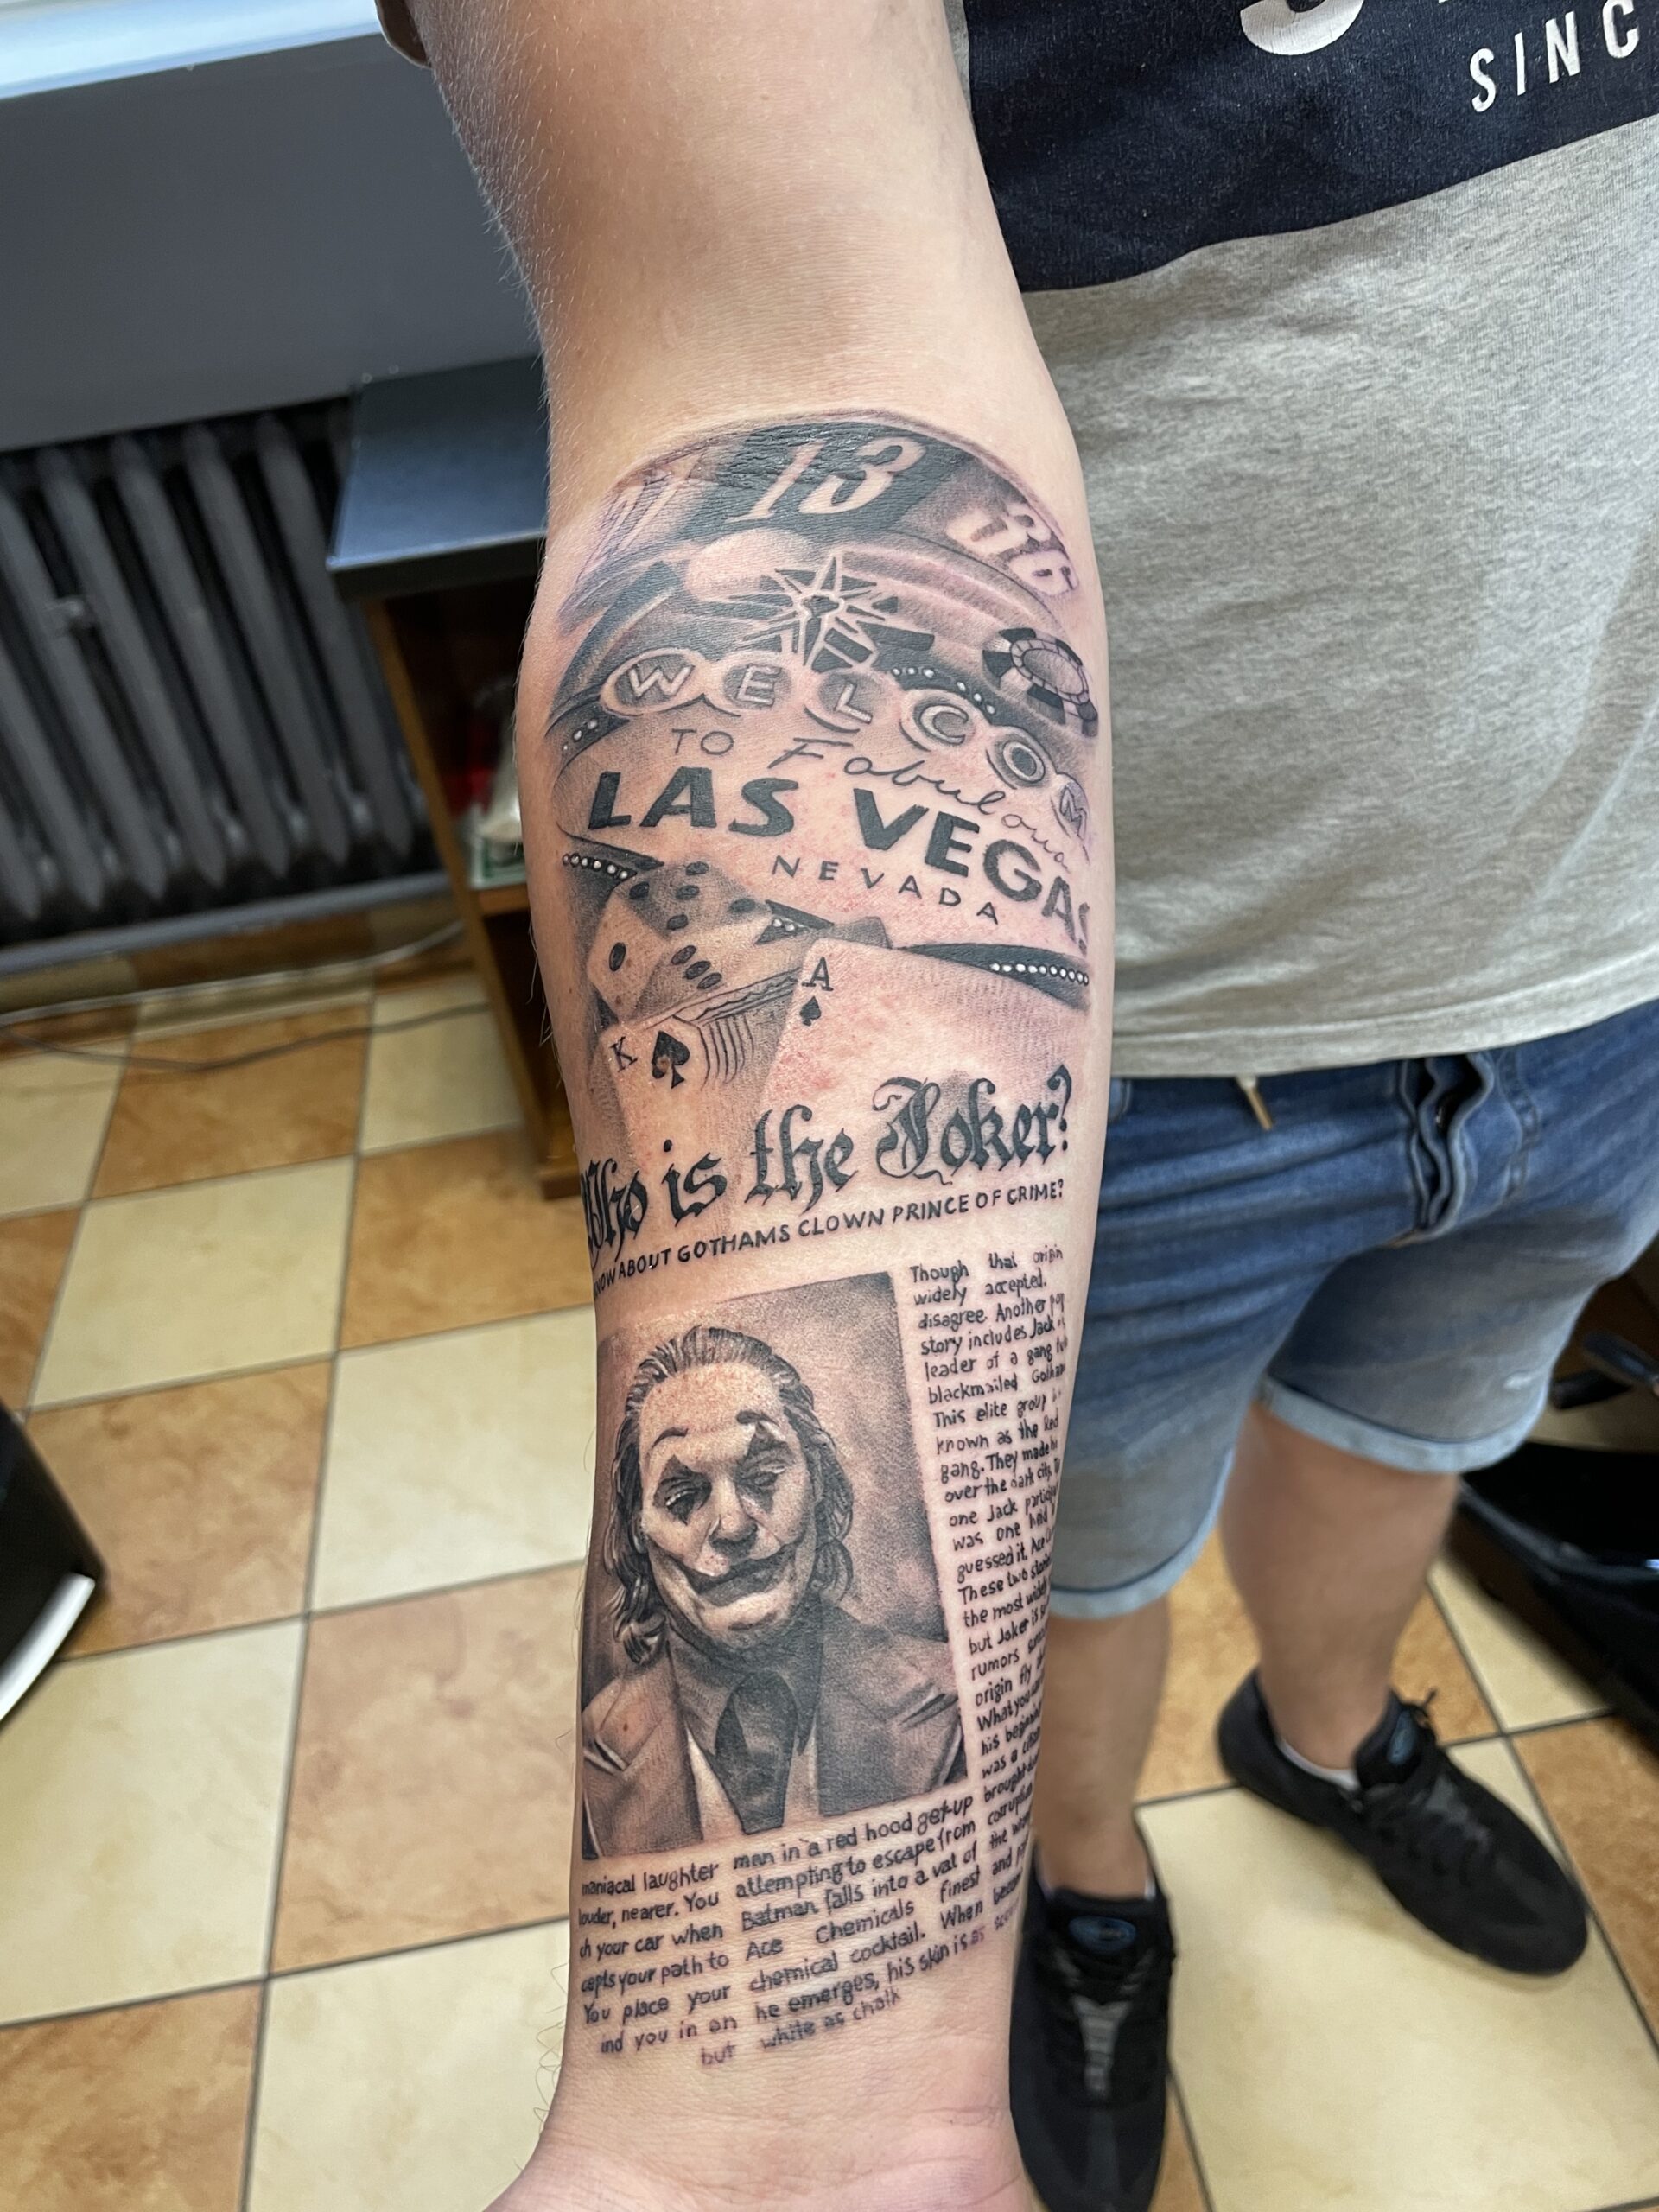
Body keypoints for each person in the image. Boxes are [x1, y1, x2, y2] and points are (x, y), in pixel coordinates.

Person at [374, 6, 1659, 2209]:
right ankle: (1090, 1886)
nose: (731, 1512)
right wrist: (799, 2113)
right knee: (1081, 1563)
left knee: (1411, 1433)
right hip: (1126, 1061)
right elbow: (781, 452)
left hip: (1606, 939)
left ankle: (1331, 1733)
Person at [582, 1325, 966, 1854]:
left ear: (819, 1483)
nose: (733, 1526)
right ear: (636, 1531)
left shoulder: (952, 1692)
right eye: (682, 1495)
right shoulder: (598, 1746)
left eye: (763, 1475)